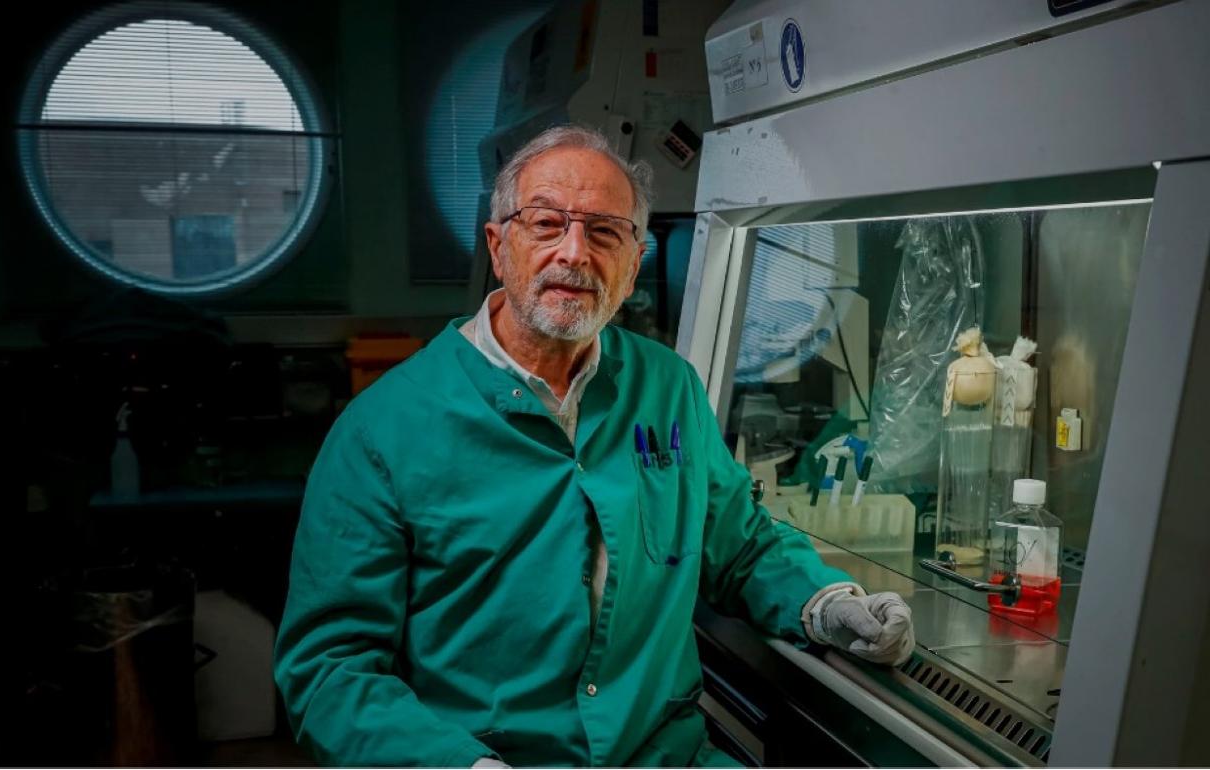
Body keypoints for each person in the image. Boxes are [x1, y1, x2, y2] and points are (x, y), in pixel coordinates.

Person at [273, 124, 914, 767]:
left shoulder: (668, 388)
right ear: (498, 247)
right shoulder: (382, 429)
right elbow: (329, 670)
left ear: (633, 266)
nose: (575, 253)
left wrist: (826, 604)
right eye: (546, 224)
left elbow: (740, 545)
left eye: (604, 232)